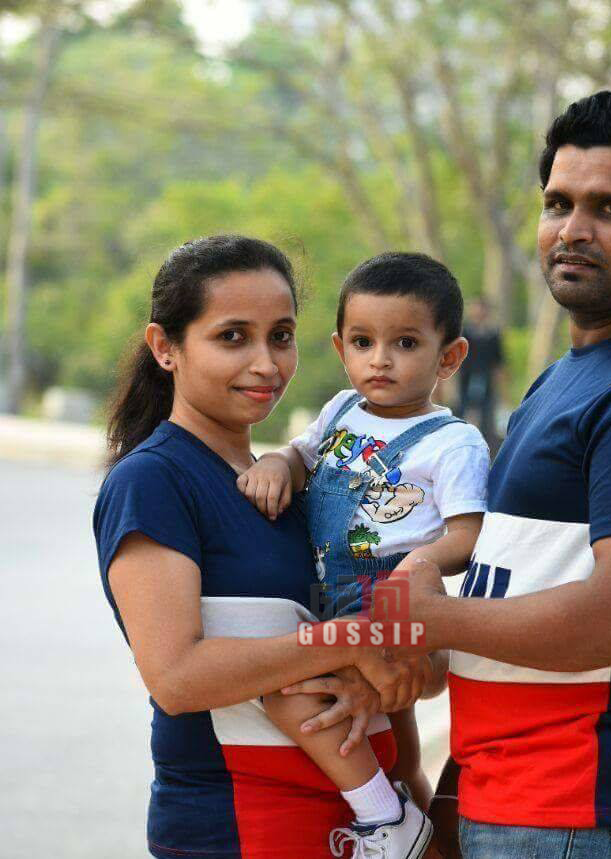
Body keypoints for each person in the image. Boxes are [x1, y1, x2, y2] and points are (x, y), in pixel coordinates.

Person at [395, 84, 611, 859]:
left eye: (610, 209)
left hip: (588, 808)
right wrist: (455, 791)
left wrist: (434, 617)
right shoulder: (570, 376)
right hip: (519, 797)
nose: (572, 230)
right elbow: (515, 585)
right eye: (558, 204)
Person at [93, 235, 434, 859]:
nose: (267, 363)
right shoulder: (155, 482)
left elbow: (410, 663)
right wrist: (351, 642)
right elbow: (177, 678)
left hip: (372, 830)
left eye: (281, 336)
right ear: (165, 347)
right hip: (242, 830)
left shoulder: (297, 485)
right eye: (233, 337)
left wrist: (386, 686)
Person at [237, 252, 490, 858]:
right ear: (340, 348)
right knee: (396, 750)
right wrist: (278, 463)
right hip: (331, 597)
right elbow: (301, 455)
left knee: (293, 694)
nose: (380, 359)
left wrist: (418, 568)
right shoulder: (341, 411)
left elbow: (469, 534)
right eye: (363, 342)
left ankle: (385, 818)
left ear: (449, 357)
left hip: (396, 606)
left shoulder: (453, 443)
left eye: (405, 343)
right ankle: (422, 837)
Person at [456, 298, 504, 450]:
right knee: (465, 411)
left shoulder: (493, 335)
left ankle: (483, 447)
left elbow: (498, 362)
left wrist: (503, 390)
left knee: (486, 416)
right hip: (466, 379)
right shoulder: (463, 333)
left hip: (486, 379)